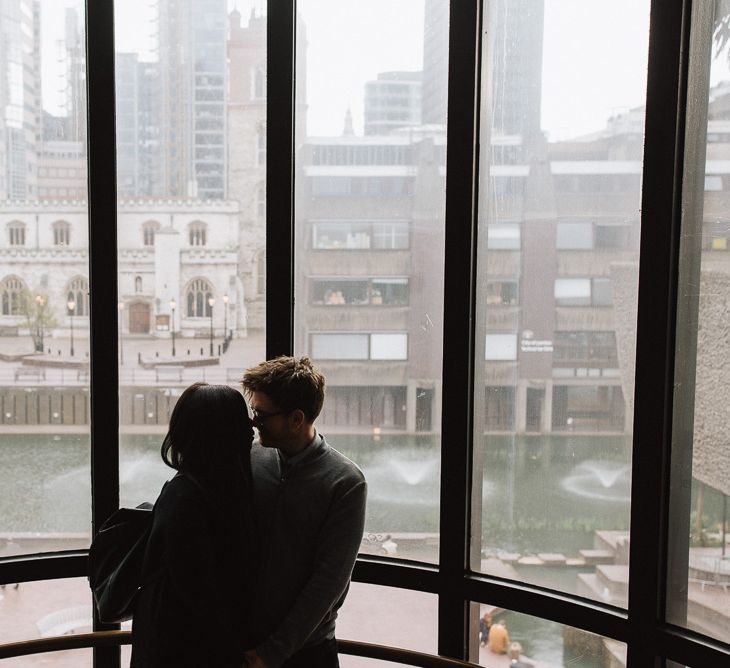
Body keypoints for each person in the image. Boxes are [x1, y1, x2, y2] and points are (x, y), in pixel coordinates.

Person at [241, 356, 367, 668]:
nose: (253, 421)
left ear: (296, 419)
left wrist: (272, 653)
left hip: (307, 654)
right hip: (245, 644)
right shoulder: (250, 458)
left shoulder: (346, 482)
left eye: (262, 414)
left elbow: (328, 580)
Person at [131, 383, 256, 667]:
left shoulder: (191, 492)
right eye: (241, 420)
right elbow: (201, 594)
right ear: (223, 432)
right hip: (189, 651)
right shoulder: (192, 499)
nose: (251, 429)